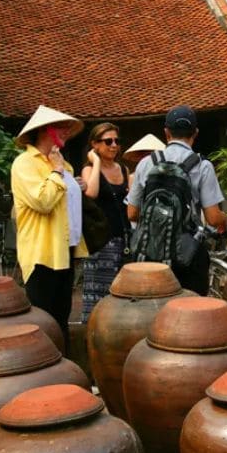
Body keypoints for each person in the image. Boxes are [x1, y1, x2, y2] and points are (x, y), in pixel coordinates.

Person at [126, 105, 226, 295]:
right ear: (195, 133)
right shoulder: (203, 166)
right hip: (187, 255)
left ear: (166, 133)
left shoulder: (146, 163)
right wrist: (224, 219)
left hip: (149, 254)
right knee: (191, 307)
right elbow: (213, 218)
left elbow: (131, 213)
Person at [11, 105, 87, 349]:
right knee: (43, 320)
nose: (66, 132)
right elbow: (42, 202)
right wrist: (56, 172)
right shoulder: (24, 164)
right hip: (41, 252)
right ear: (45, 130)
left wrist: (74, 184)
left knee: (62, 317)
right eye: (61, 127)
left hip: (65, 250)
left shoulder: (66, 166)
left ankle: (65, 366)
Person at [79, 123, 131, 323]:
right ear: (95, 144)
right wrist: (96, 162)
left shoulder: (123, 169)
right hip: (101, 241)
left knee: (122, 294)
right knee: (98, 296)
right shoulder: (89, 169)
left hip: (123, 238)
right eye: (108, 141)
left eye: (117, 141)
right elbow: (91, 193)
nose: (114, 145)